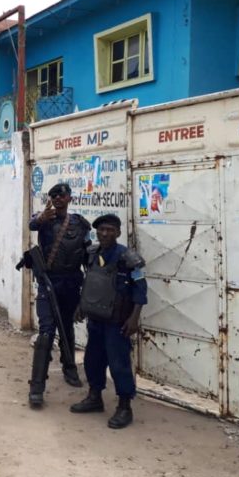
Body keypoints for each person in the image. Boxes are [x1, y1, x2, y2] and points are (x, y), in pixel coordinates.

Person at [70, 213, 147, 429]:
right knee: (92, 360)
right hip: (95, 319)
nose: (104, 233)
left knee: (119, 363)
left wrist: (134, 319)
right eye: (101, 230)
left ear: (118, 233)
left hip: (117, 322)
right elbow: (90, 283)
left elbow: (140, 289)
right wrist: (81, 306)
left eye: (110, 230)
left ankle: (124, 407)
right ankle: (95, 397)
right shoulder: (93, 254)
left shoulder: (129, 258)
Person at [27, 183, 91, 407]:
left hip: (71, 282)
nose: (57, 199)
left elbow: (86, 255)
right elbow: (32, 223)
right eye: (53, 196)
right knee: (46, 332)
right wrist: (43, 217)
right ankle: (37, 386)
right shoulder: (43, 219)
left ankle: (69, 367)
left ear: (69, 198)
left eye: (61, 195)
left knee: (67, 327)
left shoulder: (80, 224)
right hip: (48, 283)